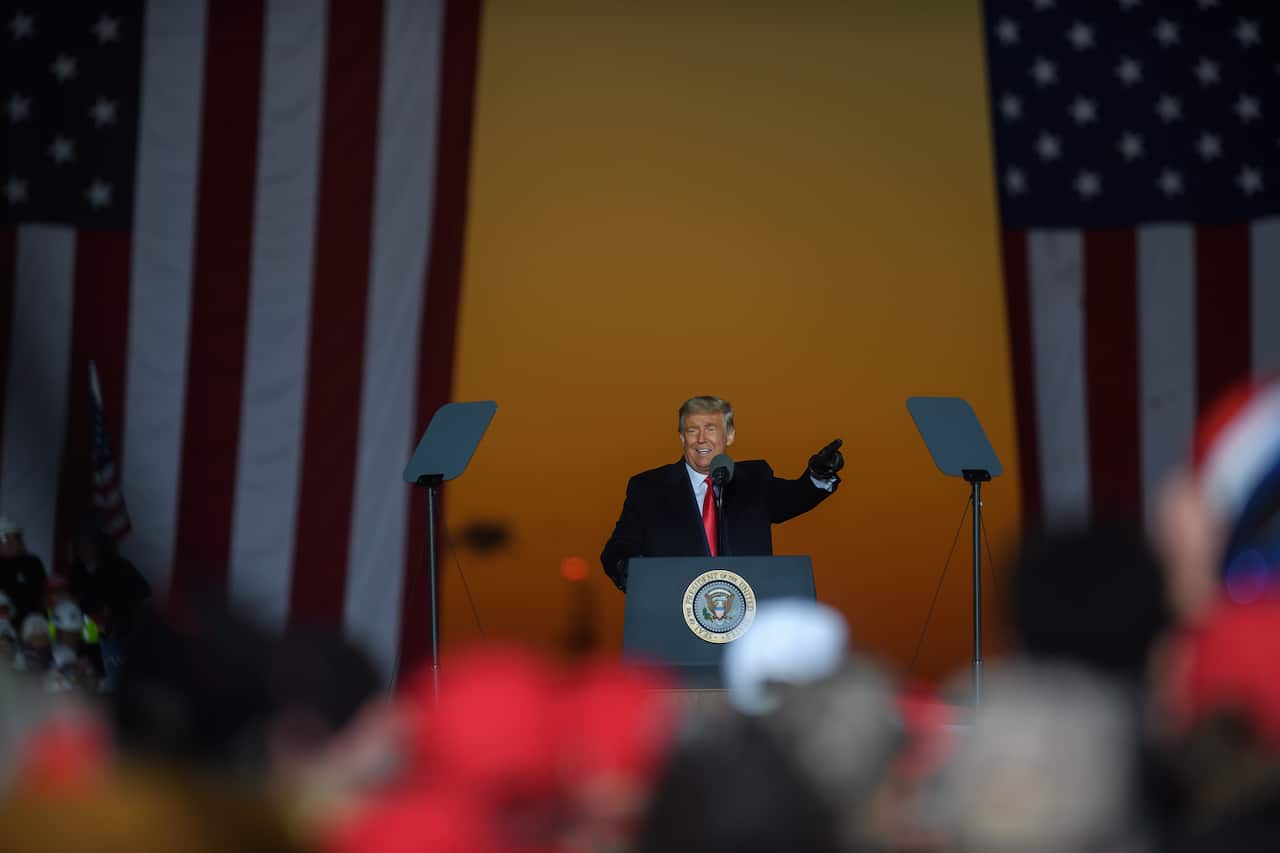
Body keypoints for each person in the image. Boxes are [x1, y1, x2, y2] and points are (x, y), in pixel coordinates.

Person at [600, 396, 841, 591]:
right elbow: (617, 548)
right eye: (692, 430)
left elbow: (795, 496)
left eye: (711, 429)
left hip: (747, 621)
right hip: (674, 619)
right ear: (682, 437)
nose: (701, 439)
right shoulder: (649, 488)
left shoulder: (754, 480)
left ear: (730, 435)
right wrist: (631, 570)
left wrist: (818, 474)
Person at [0, 517, 47, 626]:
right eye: (5, 538)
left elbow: (42, 594)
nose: (11, 542)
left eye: (14, 537)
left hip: (32, 622)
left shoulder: (33, 563)